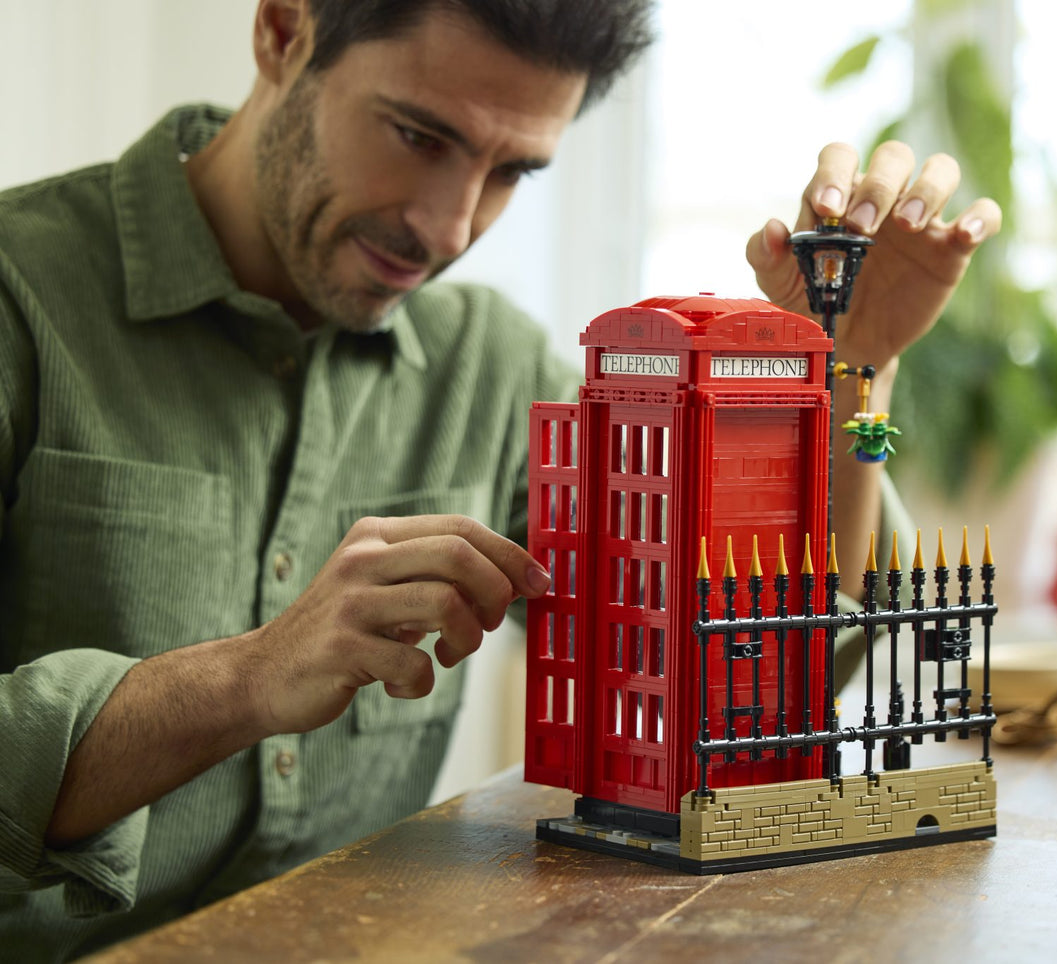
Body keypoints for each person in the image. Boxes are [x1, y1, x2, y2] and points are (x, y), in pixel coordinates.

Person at [0, 0, 1000, 957]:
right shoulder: (21, 296)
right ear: (281, 31)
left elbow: (744, 687)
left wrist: (842, 370)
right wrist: (248, 677)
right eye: (417, 136)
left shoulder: (494, 365)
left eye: (511, 170)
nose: (447, 227)